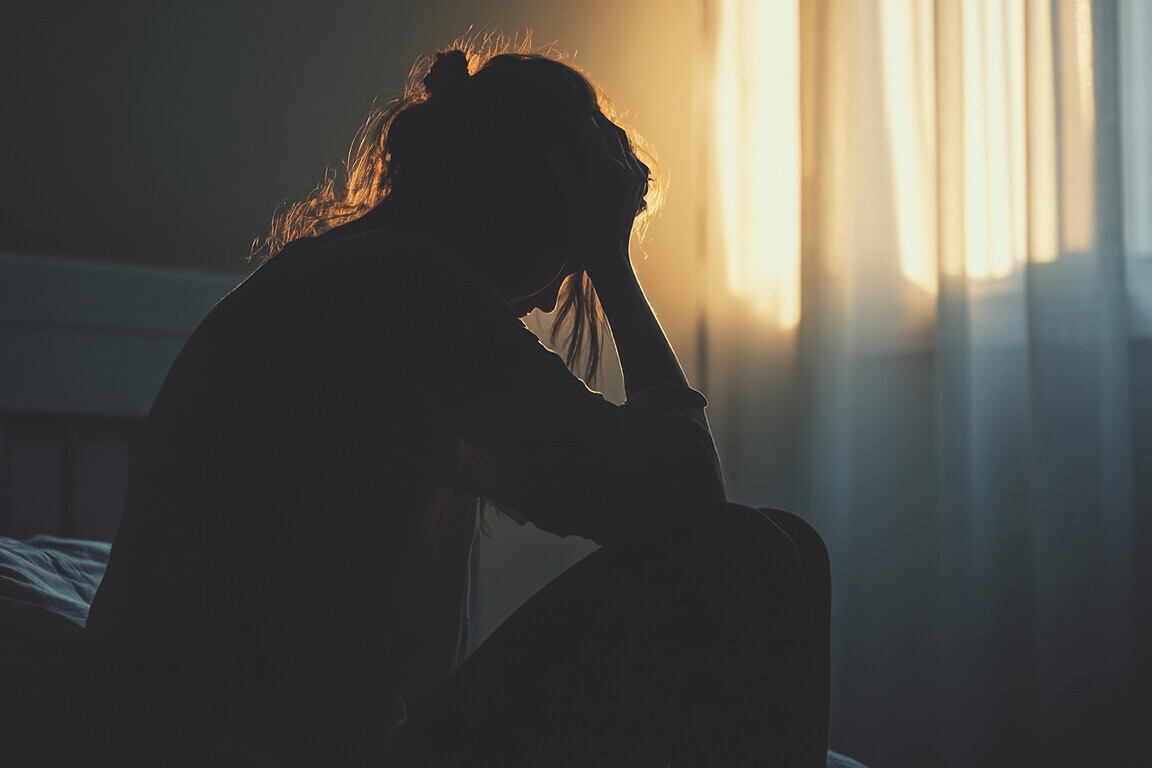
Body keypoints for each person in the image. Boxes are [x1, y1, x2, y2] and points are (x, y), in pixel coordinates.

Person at [85, 43, 830, 767]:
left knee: (792, 546)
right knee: (757, 554)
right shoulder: (405, 291)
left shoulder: (356, 272)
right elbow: (693, 509)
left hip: (239, 725)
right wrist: (611, 261)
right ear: (530, 199)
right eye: (565, 261)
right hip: (262, 743)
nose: (543, 303)